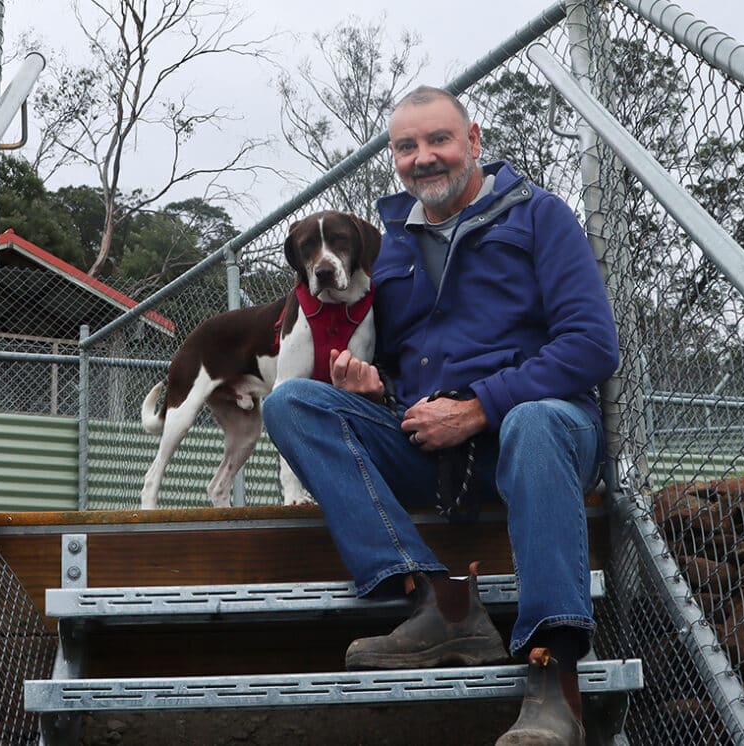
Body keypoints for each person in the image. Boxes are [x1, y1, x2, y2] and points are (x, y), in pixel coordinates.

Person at [263, 85, 618, 746]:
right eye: (406, 146)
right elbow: (399, 366)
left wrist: (483, 405)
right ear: (393, 157)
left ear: (473, 141)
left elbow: (592, 346)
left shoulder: (541, 217)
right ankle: (439, 602)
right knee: (292, 404)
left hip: (537, 435)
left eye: (439, 140)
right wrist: (372, 387)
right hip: (430, 449)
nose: (423, 157)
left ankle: (551, 682)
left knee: (537, 422)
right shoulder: (387, 247)